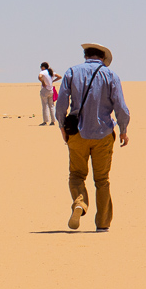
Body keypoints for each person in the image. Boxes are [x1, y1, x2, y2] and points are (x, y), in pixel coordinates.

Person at [56, 43, 131, 231]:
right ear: (103, 58)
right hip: (103, 134)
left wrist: (61, 126)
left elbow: (61, 104)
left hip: (77, 134)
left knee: (76, 175)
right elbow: (120, 107)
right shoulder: (111, 75)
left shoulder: (72, 72)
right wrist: (123, 129)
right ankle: (103, 224)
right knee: (102, 180)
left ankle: (80, 203)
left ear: (85, 56)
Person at [37, 61, 61, 125]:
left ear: (43, 67)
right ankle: (53, 121)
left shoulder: (43, 72)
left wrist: (43, 82)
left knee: (45, 106)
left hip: (45, 90)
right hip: (51, 90)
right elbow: (59, 76)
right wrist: (53, 81)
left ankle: (45, 121)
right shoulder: (51, 72)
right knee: (52, 106)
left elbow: (39, 76)